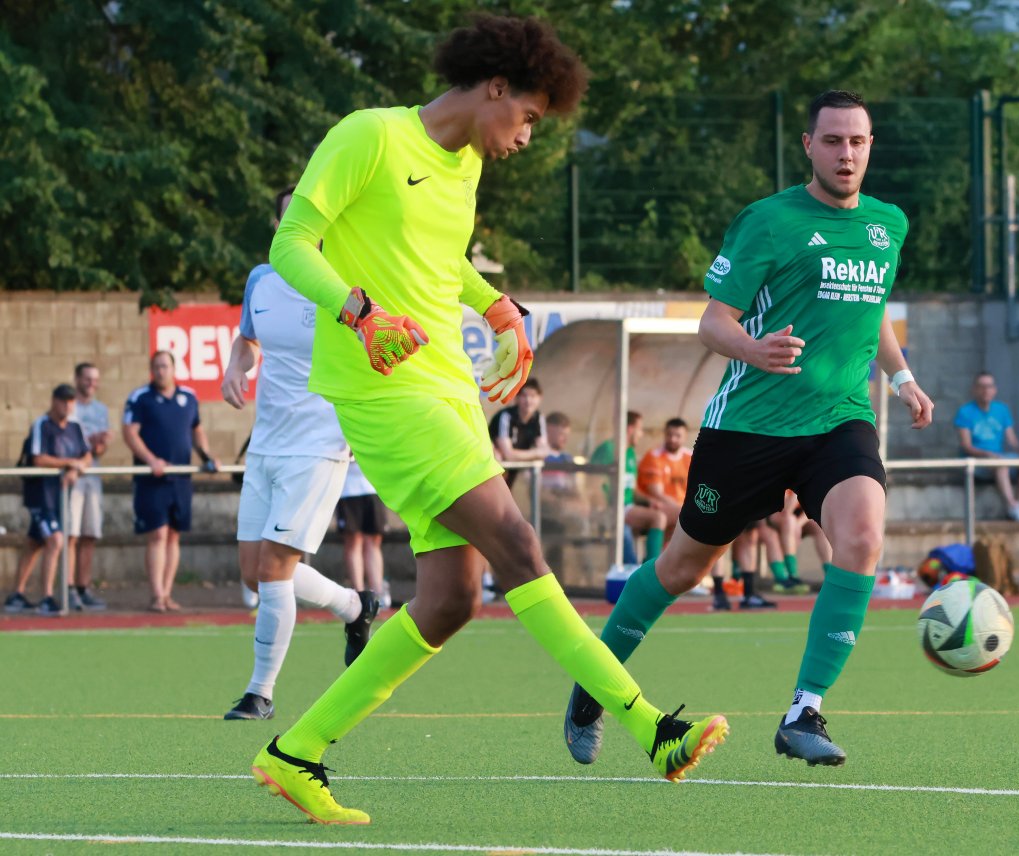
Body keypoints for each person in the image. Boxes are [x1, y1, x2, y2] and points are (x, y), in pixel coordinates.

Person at [251, 14, 728, 825]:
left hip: (450, 388)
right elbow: (295, 244)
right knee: (517, 542)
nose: (530, 135)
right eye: (532, 116)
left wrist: (497, 304)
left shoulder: (465, 164)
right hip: (382, 391)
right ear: (495, 88)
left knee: (450, 598)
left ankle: (295, 752)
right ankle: (651, 727)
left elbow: (441, 268)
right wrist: (357, 311)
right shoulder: (370, 136)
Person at [564, 90, 933, 769]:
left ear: (871, 147)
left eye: (857, 142)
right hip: (750, 427)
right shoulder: (768, 221)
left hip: (839, 422)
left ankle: (805, 710)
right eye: (833, 141)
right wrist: (753, 349)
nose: (846, 153)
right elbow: (714, 321)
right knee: (681, 566)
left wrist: (901, 379)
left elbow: (873, 310)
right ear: (808, 146)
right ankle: (596, 680)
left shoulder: (888, 225)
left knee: (862, 536)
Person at [220, 186, 380, 722]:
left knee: (273, 568)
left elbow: (376, 359)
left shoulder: (345, 289)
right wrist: (234, 364)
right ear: (277, 225)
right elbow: (249, 340)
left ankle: (259, 692)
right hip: (265, 444)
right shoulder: (260, 280)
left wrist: (363, 428)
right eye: (290, 217)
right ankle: (356, 606)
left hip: (319, 445)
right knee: (254, 574)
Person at [122, 351, 220, 612]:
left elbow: (196, 430)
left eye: (165, 366)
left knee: (173, 536)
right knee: (158, 534)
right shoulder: (140, 398)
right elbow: (130, 434)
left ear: (174, 368)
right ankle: (155, 595)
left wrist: (207, 456)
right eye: (156, 367)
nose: (160, 371)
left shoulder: (188, 397)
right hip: (152, 479)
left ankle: (166, 594)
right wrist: (151, 460)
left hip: (181, 479)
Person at [5, 384, 91, 616]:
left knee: (35, 543)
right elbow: (38, 459)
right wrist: (68, 464)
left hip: (61, 497)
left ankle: (17, 594)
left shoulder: (75, 426)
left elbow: (86, 455)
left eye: (71, 401)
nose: (67, 405)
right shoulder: (42, 425)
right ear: (54, 401)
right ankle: (47, 597)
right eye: (63, 400)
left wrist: (78, 468)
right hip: (40, 496)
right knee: (55, 541)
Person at [954, 371, 1019, 521]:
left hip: (999, 458)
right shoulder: (965, 412)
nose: (986, 390)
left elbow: (1012, 442)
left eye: (990, 386)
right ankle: (1012, 506)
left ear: (995, 389)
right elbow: (966, 446)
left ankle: (1016, 504)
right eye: (982, 386)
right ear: (974, 389)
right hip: (977, 462)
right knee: (1001, 463)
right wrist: (988, 454)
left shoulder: (1002, 410)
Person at [589, 410, 667, 567]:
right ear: (630, 429)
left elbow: (631, 488)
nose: (642, 434)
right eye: (640, 429)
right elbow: (593, 485)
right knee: (658, 518)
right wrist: (604, 509)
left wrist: (649, 500)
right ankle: (649, 569)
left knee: (671, 517)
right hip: (613, 507)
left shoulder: (630, 452)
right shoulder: (608, 449)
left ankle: (654, 567)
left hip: (626, 507)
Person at [67, 362, 110, 610]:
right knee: (71, 534)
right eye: (87, 379)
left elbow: (100, 448)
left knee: (89, 534)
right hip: (74, 476)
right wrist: (88, 443)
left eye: (95, 379)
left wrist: (97, 444)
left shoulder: (101, 410)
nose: (91, 384)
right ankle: (69, 587)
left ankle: (84, 587)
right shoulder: (70, 408)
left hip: (92, 475)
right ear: (77, 379)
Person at [336, 458, 392, 609]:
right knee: (353, 541)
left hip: (372, 486)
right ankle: (359, 597)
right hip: (347, 488)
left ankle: (378, 595)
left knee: (373, 541)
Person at [635, 417, 692, 536]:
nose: (672, 439)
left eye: (677, 436)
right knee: (684, 517)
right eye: (669, 434)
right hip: (654, 505)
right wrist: (684, 508)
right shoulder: (654, 457)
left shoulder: (690, 457)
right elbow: (657, 493)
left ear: (685, 436)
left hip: (681, 507)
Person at [767, 490, 831, 593]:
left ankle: (830, 575)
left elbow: (813, 509)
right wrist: (794, 494)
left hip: (798, 519)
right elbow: (786, 511)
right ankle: (792, 574)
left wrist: (798, 524)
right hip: (779, 517)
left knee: (819, 527)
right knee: (789, 520)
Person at [488, 377, 549, 484]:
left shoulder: (539, 418)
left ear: (540, 398)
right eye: (524, 395)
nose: (528, 400)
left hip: (517, 468)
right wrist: (535, 453)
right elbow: (508, 455)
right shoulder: (506, 416)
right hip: (495, 469)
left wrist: (533, 454)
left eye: (533, 396)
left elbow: (543, 451)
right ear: (517, 397)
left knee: (535, 475)